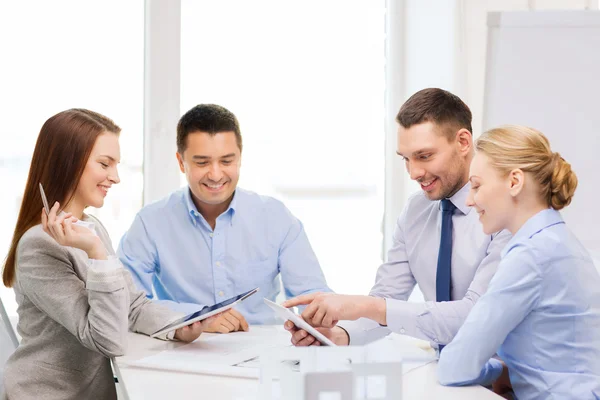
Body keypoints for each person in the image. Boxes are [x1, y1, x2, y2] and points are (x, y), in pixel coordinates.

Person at [1, 109, 214, 400]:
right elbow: (108, 339)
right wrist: (97, 254)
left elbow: (132, 305)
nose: (115, 177)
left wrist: (178, 326)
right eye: (105, 164)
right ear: (69, 162)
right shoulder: (39, 246)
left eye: (116, 165)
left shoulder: (90, 228)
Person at [283, 88, 511, 347]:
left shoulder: (504, 211)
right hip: (445, 371)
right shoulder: (416, 210)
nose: (414, 173)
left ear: (462, 142)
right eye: (406, 159)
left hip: (499, 379)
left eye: (424, 156)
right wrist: (338, 335)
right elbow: (388, 297)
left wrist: (363, 305)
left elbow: (475, 316)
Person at [118, 104, 330, 333]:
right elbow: (127, 303)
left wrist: (321, 324)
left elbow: (312, 296)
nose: (216, 174)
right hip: (182, 351)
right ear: (181, 162)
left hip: (262, 352)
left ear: (240, 158)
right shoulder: (151, 222)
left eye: (227, 161)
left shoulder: (275, 217)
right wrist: (198, 316)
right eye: (202, 162)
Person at [437, 125, 600, 399]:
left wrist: (498, 370)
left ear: (514, 182)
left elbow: (455, 366)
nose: (469, 200)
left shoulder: (531, 255)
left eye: (476, 185)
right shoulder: (558, 241)